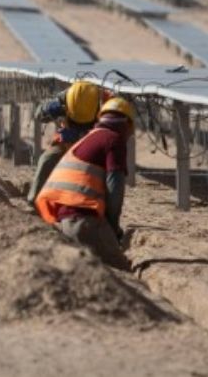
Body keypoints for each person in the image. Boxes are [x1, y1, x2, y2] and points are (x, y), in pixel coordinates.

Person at [34, 97, 135, 270]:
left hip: (65, 221)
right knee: (122, 270)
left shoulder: (90, 137)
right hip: (85, 222)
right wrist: (112, 226)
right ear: (127, 124)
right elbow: (115, 185)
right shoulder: (114, 139)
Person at [26, 81, 109, 202]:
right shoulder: (66, 98)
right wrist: (49, 108)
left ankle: (101, 208)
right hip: (66, 143)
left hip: (94, 146)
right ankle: (34, 200)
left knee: (104, 174)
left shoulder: (106, 103)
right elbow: (39, 115)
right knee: (46, 160)